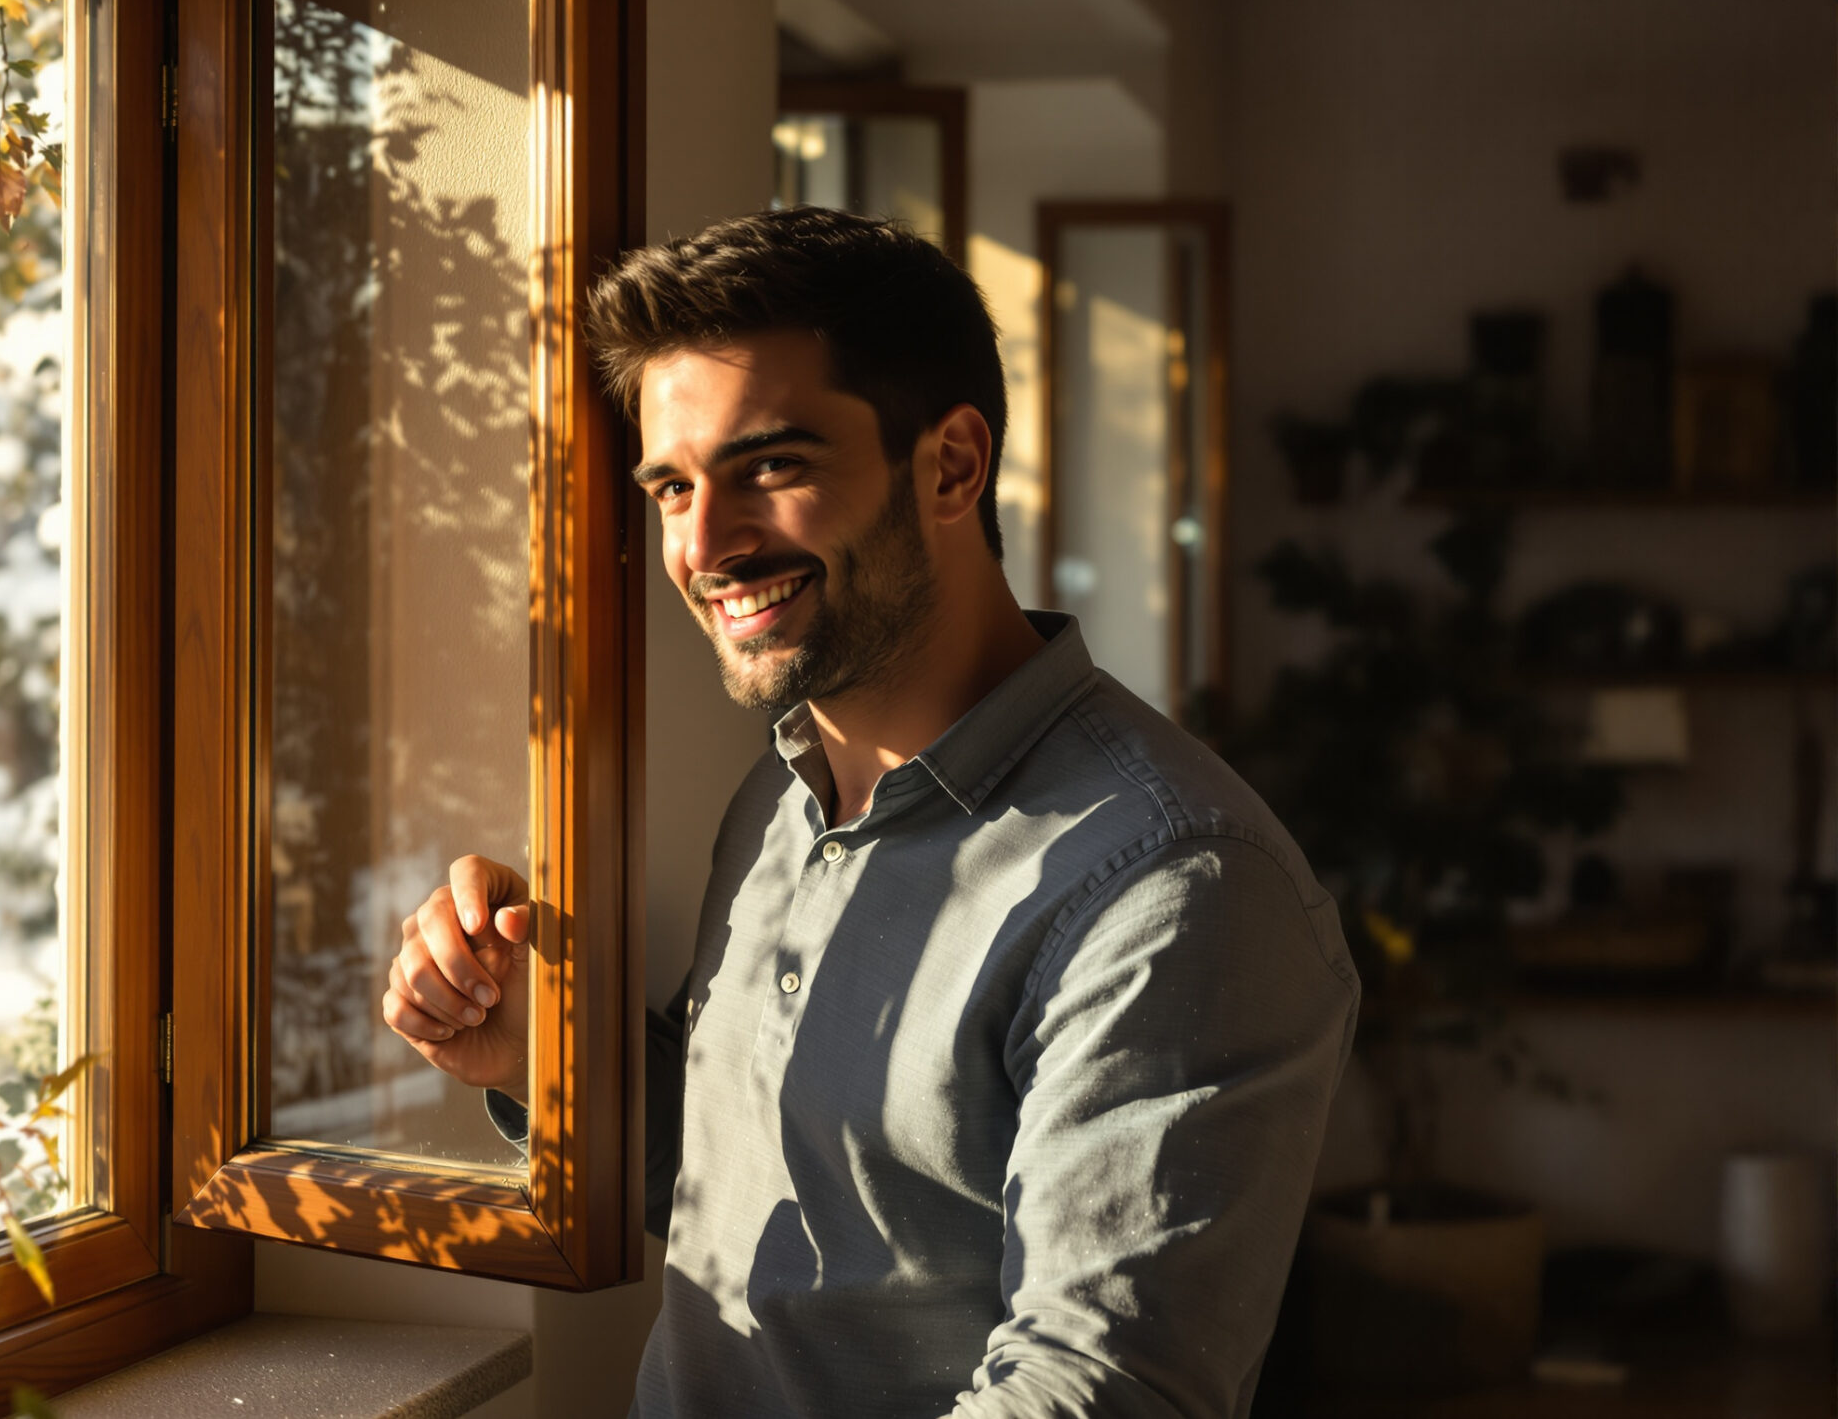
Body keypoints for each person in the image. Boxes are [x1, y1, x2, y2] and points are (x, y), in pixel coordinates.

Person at [379, 207, 1359, 1418]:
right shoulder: (782, 792)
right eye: (672, 486)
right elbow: (735, 1188)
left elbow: (1093, 1395)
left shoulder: (1172, 883)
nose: (704, 544)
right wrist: (542, 1048)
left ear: (950, 464)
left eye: (772, 468)